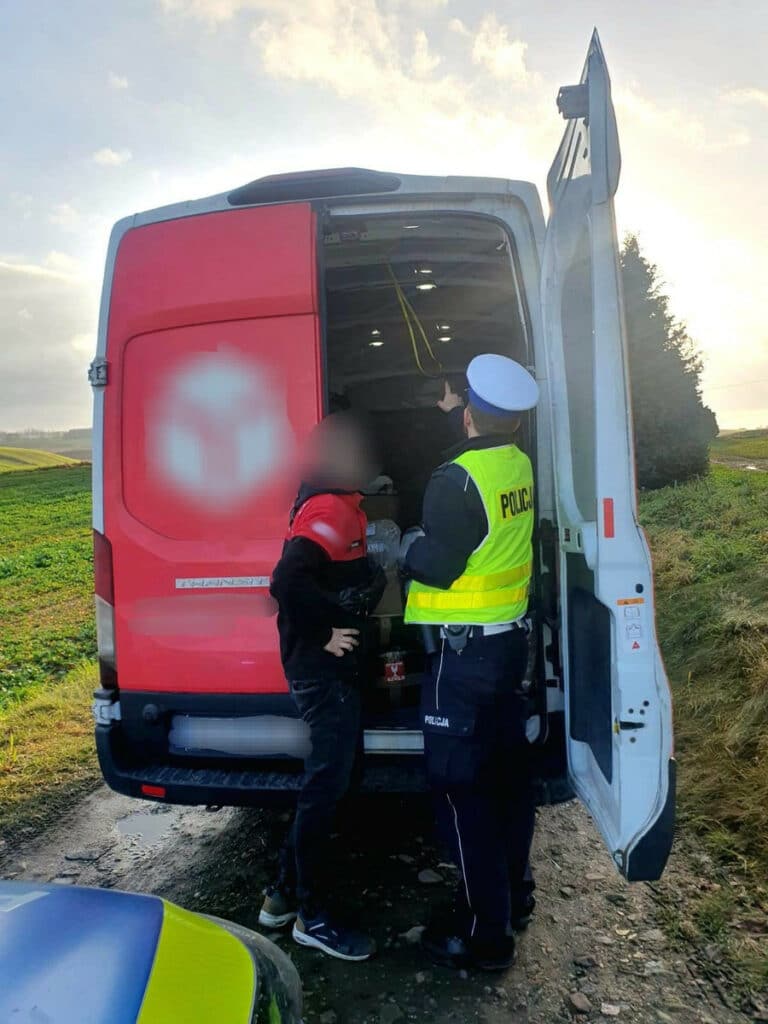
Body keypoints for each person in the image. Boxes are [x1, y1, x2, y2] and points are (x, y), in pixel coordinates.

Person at [401, 353, 539, 972]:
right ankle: (517, 896)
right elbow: (476, 483)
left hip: (462, 660)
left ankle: (487, 937)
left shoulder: (452, 481)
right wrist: (460, 412)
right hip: (507, 649)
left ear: (468, 417)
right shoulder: (516, 463)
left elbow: (439, 563)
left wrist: (403, 546)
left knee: (462, 792)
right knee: (509, 781)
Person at [260, 412, 385, 962]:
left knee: (329, 781)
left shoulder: (337, 501)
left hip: (326, 670)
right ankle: (313, 916)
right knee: (326, 789)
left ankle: (282, 896)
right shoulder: (329, 508)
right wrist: (325, 631)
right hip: (322, 673)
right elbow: (286, 581)